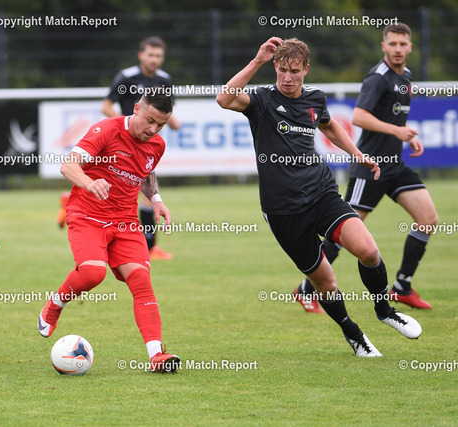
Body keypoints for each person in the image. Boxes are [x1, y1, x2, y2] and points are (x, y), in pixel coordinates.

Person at [216, 37, 422, 357]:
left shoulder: (315, 98)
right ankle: (354, 334)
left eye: (294, 71)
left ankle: (385, 310)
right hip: (283, 210)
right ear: (275, 67)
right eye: (282, 70)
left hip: (321, 193)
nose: (287, 77)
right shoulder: (262, 100)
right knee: (326, 283)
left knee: (368, 250)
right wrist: (257, 61)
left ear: (306, 70)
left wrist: (358, 154)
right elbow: (224, 99)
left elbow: (329, 126)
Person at [294, 23, 437, 312]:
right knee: (343, 234)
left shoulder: (406, 76)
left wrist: (405, 135)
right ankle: (306, 289)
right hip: (370, 168)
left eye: (403, 44)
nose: (398, 49)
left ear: (410, 47)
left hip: (394, 166)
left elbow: (392, 119)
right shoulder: (378, 77)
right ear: (384, 46)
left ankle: (402, 286)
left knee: (428, 219)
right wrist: (396, 131)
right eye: (392, 44)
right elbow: (358, 116)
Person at [38, 89, 181, 373]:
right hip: (87, 215)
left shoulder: (157, 144)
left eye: (161, 125)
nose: (153, 129)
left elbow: (145, 172)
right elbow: (68, 166)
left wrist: (156, 200)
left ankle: (156, 356)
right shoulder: (106, 129)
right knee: (93, 273)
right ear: (137, 109)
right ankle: (55, 304)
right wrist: (90, 183)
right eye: (150, 120)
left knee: (142, 280)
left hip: (126, 221)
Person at [101, 35, 180, 260]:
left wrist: (172, 122)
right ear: (141, 55)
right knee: (115, 189)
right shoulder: (127, 77)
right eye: (151, 55)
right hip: (122, 142)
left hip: (144, 145)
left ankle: (150, 247)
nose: (155, 59)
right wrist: (124, 126)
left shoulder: (165, 80)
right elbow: (106, 106)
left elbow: (167, 111)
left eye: (159, 56)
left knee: (147, 192)